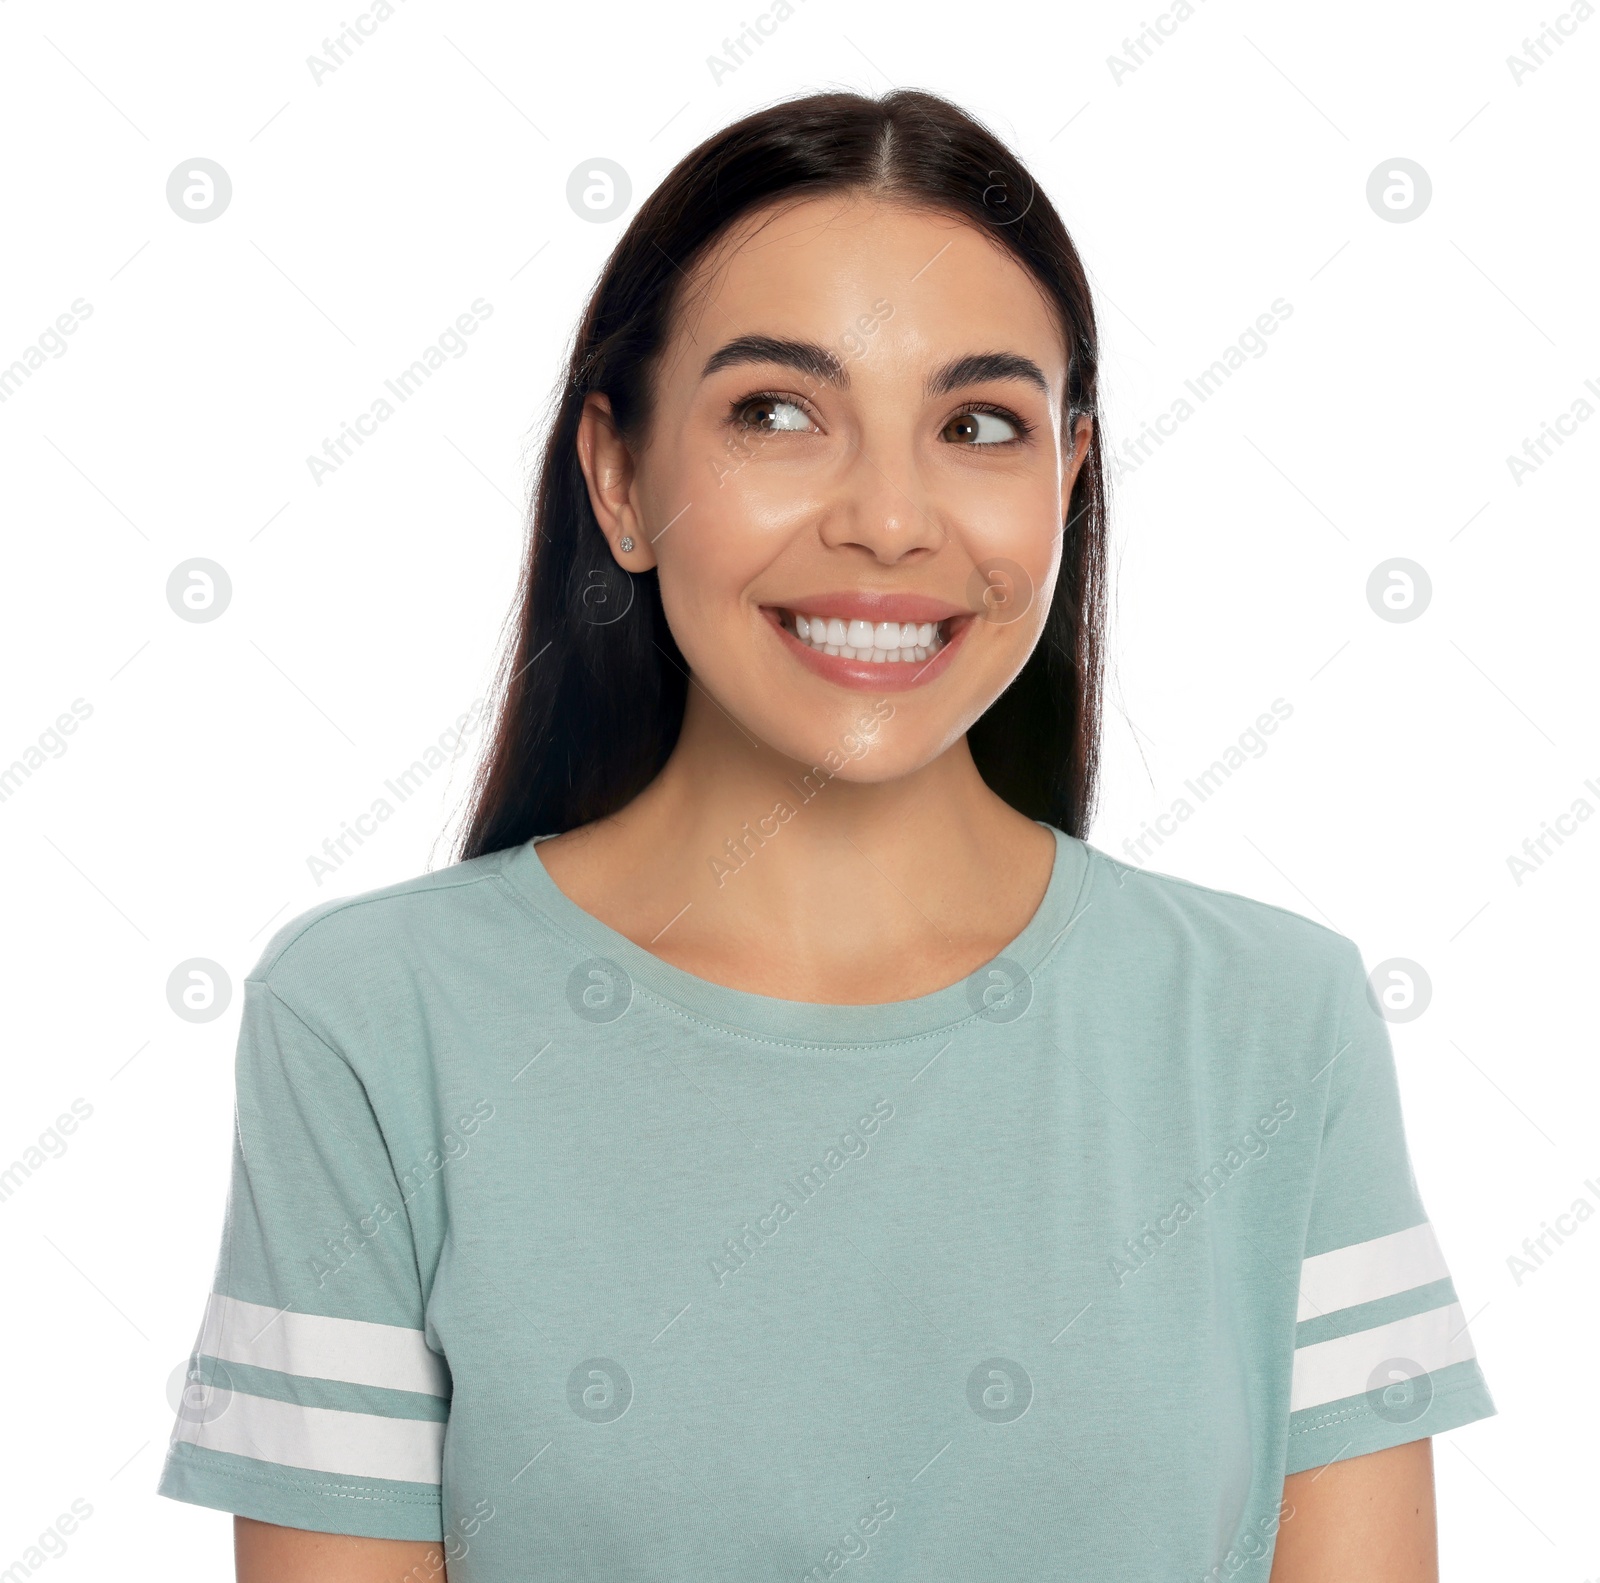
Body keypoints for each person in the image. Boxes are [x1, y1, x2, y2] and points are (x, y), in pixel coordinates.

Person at [158, 89, 1495, 1582]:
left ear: (1064, 476)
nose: (889, 518)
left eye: (978, 424)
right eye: (778, 413)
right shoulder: (369, 1025)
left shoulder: (1273, 1025)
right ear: (619, 476)